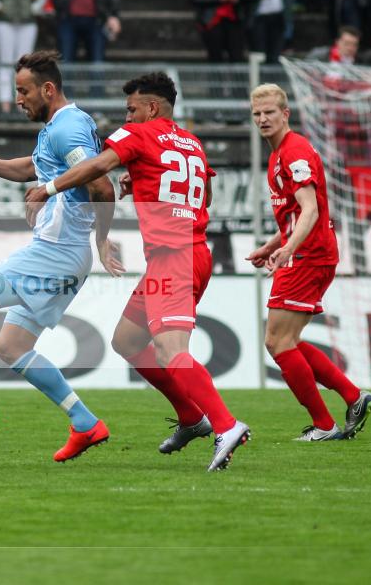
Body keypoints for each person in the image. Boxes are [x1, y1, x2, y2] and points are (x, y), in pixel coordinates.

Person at [25, 72, 251, 471]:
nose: (127, 118)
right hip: (191, 253)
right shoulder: (192, 143)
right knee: (127, 340)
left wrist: (49, 187)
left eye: (131, 109)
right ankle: (190, 417)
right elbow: (206, 194)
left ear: (152, 107)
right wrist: (147, 178)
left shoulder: (139, 135)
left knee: (171, 351)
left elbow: (97, 166)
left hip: (175, 258)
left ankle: (227, 425)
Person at [0, 51, 121, 462]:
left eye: (23, 92)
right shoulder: (59, 126)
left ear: (48, 89)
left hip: (58, 251)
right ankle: (85, 423)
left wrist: (100, 239)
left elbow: (101, 184)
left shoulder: (69, 128)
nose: (18, 99)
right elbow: (33, 170)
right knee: (12, 346)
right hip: (64, 254)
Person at [247, 83, 371, 441]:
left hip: (308, 254)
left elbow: (311, 209)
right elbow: (295, 215)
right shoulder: (280, 153)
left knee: (277, 341)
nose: (262, 119)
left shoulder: (294, 152)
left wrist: (289, 250)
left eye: (269, 112)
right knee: (285, 340)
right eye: (257, 113)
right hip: (307, 251)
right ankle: (353, 397)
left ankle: (324, 425)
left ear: (285, 114)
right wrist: (271, 244)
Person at [0, 0, 42, 115]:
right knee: (4, 62)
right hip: (4, 20)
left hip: (27, 20)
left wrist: (35, 7)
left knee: (24, 65)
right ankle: (4, 104)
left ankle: (22, 104)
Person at [52, 0, 121, 63]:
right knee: (65, 63)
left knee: (97, 65)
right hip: (67, 19)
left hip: (97, 20)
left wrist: (113, 14)